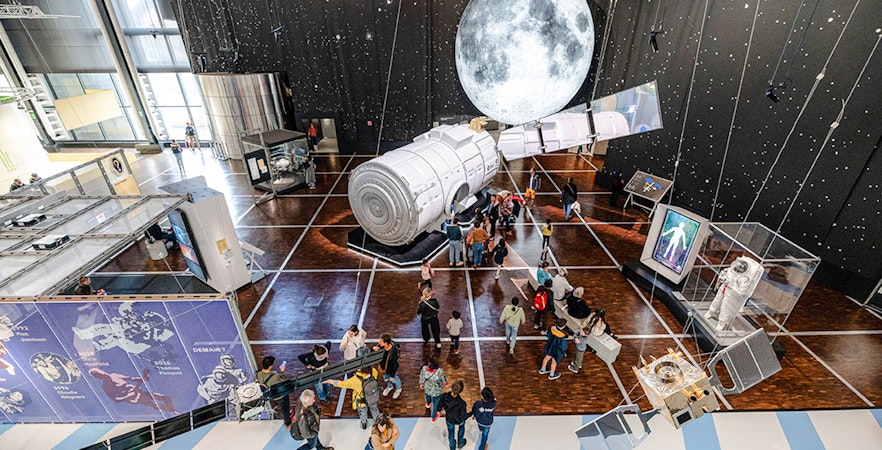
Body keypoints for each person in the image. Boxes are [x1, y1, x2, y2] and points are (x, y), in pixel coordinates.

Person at [258, 356, 291, 426]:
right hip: (279, 395)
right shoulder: (274, 377)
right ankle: (287, 422)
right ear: (270, 366)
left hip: (270, 395)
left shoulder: (259, 374)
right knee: (285, 408)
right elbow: (282, 383)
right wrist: (282, 371)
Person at [438, 380, 468, 450]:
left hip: (449, 419)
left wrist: (440, 410)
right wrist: (471, 413)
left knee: (450, 431)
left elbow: (439, 406)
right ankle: (460, 443)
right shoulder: (462, 403)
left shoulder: (444, 396)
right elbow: (463, 416)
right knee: (461, 427)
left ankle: (452, 446)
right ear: (461, 391)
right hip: (459, 420)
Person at [419, 355, 448, 422]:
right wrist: (446, 383)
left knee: (427, 396)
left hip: (427, 388)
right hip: (436, 391)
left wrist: (421, 383)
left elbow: (422, 376)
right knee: (435, 404)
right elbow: (443, 379)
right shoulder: (439, 371)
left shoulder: (424, 368)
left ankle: (428, 404)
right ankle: (433, 417)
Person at [373, 334, 402, 399]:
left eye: (381, 342)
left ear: (386, 343)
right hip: (384, 368)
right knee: (386, 379)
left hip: (391, 369)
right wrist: (373, 348)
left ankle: (398, 388)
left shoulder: (393, 351)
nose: (379, 343)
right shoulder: (381, 347)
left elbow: (395, 365)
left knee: (395, 379)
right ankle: (390, 386)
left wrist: (392, 375)